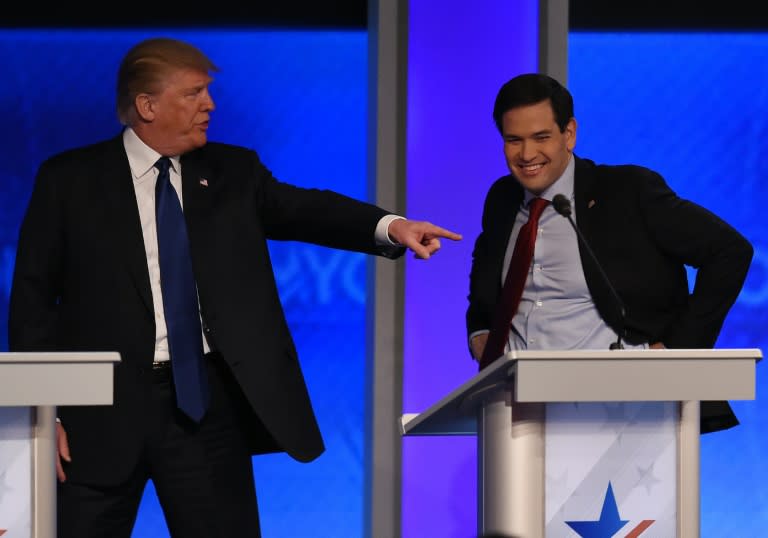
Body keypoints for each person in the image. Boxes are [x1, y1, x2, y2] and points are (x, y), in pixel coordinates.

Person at [7, 37, 461, 537]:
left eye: (208, 92)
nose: (210, 105)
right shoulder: (70, 180)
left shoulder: (233, 171)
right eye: (195, 93)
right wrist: (41, 414)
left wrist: (390, 227)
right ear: (147, 105)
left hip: (203, 409)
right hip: (97, 418)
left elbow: (307, 210)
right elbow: (32, 300)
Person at [466, 73, 752, 433]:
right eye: (513, 140)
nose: (526, 155)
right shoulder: (502, 198)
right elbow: (487, 262)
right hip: (520, 411)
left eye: (541, 138)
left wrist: (677, 350)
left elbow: (729, 251)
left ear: (569, 133)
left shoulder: (627, 192)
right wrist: (480, 328)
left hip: (625, 406)